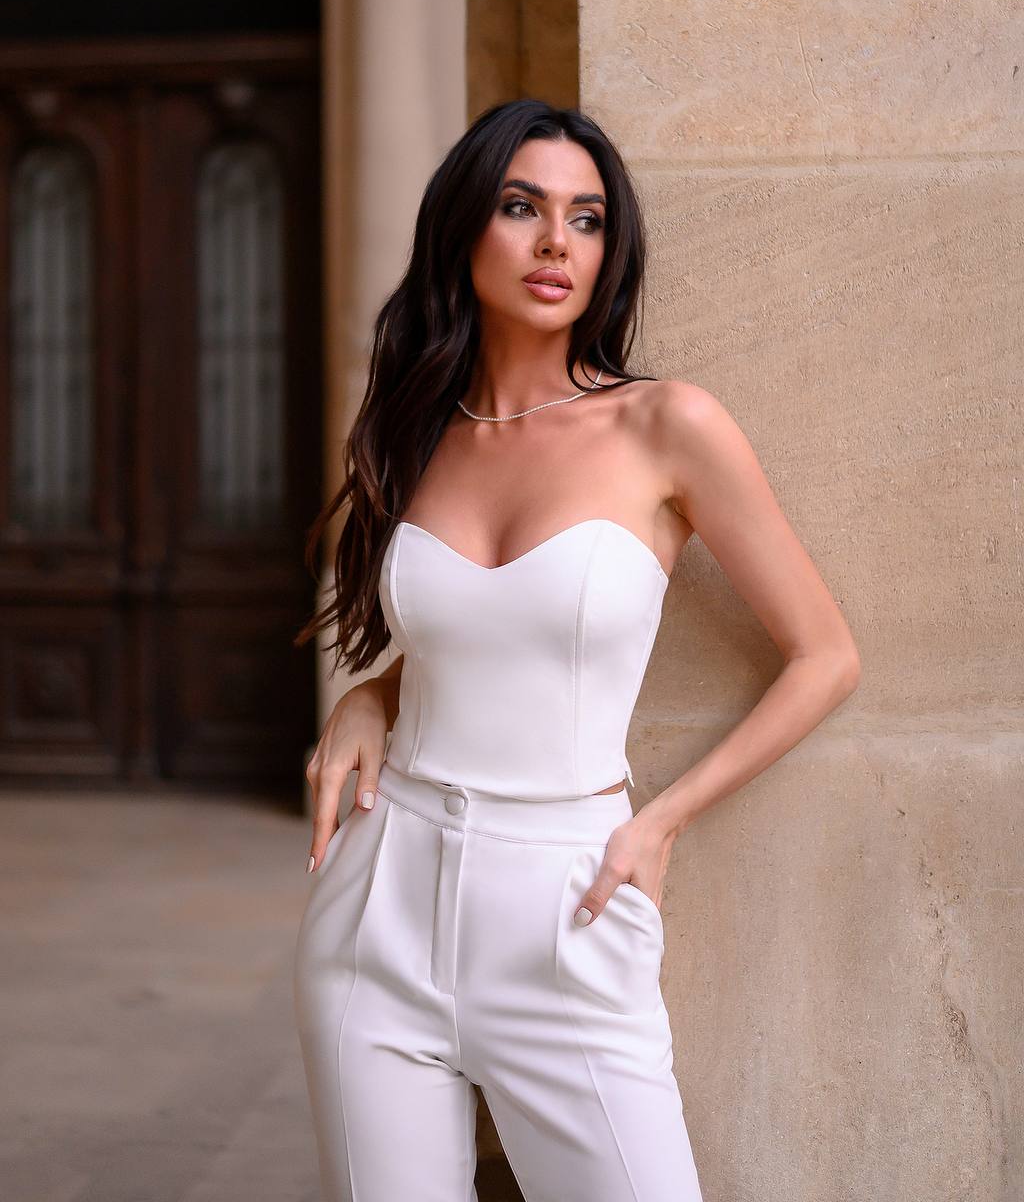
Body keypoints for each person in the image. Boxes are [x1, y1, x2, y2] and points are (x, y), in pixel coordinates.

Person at [291, 98, 861, 1202]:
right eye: (522, 207)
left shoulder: (665, 425)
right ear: (466, 228)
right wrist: (369, 692)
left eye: (587, 218)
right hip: (380, 897)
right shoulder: (414, 427)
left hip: (569, 898)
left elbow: (823, 654)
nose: (558, 242)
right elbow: (468, 633)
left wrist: (659, 819)